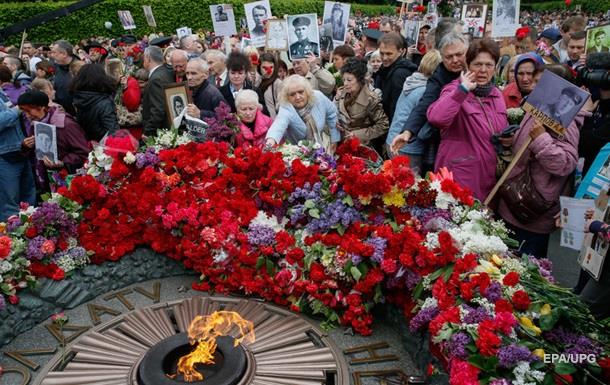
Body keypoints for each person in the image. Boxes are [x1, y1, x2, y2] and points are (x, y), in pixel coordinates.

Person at [496, 68, 593, 258]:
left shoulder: (568, 121)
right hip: (513, 200)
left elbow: (565, 163)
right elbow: (526, 142)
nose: (535, 86)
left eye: (542, 82)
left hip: (534, 211)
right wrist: (514, 139)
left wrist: (541, 140)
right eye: (537, 81)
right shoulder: (537, 108)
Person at [426, 38, 507, 200]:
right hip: (461, 177)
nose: (483, 70)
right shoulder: (454, 89)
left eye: (489, 65)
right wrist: (462, 90)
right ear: (468, 65)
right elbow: (436, 118)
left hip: (489, 176)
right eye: (477, 64)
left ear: (495, 67)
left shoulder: (496, 94)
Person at [390, 31, 467, 173]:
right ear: (441, 58)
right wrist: (407, 132)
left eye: (459, 54)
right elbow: (424, 105)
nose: (455, 60)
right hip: (450, 138)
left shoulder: (477, 69)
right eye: (449, 57)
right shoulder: (439, 76)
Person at [18, 90, 89, 192]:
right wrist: (25, 146)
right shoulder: (36, 123)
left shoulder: (66, 124)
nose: (27, 115)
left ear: (41, 107)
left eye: (29, 111)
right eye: (24, 112)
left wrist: (62, 162)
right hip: (46, 180)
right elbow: (34, 154)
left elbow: (83, 152)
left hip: (68, 183)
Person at [387, 50, 443, 175]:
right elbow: (424, 131)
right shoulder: (426, 91)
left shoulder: (412, 81)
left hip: (393, 138)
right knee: (409, 186)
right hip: (408, 146)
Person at [265, 74, 339, 151]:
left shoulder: (318, 97)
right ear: (287, 97)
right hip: (297, 152)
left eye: (300, 92)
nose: (297, 97)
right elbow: (278, 126)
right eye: (292, 94)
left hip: (323, 143)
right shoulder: (286, 107)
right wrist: (270, 143)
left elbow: (332, 114)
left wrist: (335, 139)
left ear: (307, 91)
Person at [335, 58, 388, 147]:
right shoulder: (342, 92)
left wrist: (357, 134)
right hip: (343, 142)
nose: (345, 83)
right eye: (343, 80)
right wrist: (338, 122)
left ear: (359, 80)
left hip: (362, 146)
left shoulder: (370, 99)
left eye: (349, 80)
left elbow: (383, 125)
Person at [0, 87, 35, 221]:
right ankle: (11, 239)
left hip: (19, 150)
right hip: (5, 155)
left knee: (28, 199)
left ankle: (31, 237)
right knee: (10, 204)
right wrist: (18, 109)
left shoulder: (2, 93)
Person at [374, 32, 418, 124]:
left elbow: (397, 109)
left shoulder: (400, 74)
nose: (384, 58)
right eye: (382, 53)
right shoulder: (385, 69)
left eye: (389, 54)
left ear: (401, 52)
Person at [70, 63, 120, 142]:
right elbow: (113, 131)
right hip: (102, 146)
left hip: (87, 142)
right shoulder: (104, 102)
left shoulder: (78, 97)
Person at [142, 46, 175, 135]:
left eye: (144, 58)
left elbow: (158, 110)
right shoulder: (165, 72)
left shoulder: (156, 79)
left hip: (159, 131)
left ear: (148, 59)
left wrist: (148, 132)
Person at [51, 40, 81, 115]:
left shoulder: (80, 68)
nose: (52, 55)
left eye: (54, 52)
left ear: (64, 54)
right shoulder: (56, 67)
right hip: (60, 114)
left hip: (77, 115)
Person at [257, 52, 283, 119]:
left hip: (272, 122)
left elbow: (281, 108)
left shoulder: (278, 83)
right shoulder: (257, 82)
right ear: (259, 67)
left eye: (271, 67)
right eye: (264, 68)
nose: (269, 71)